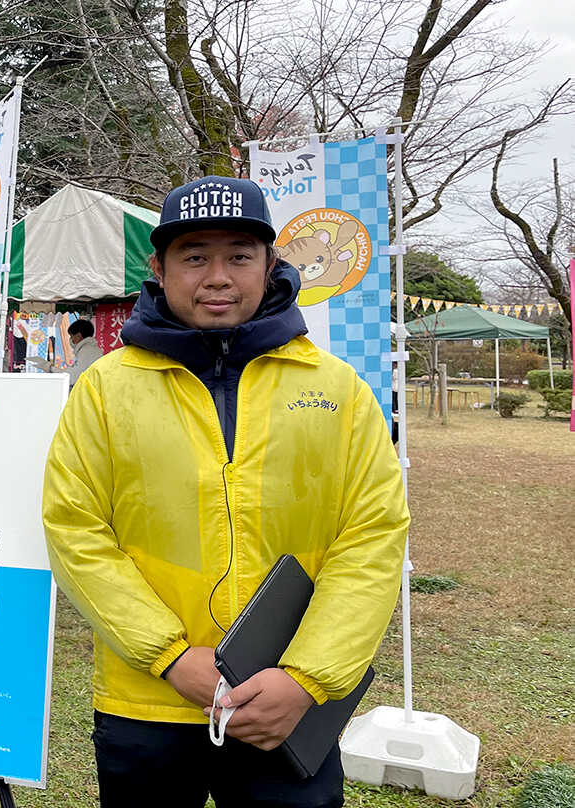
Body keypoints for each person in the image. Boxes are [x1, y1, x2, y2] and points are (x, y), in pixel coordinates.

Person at [42, 176, 409, 808]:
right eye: (194, 257)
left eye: (240, 256)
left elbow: (372, 535)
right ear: (159, 268)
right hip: (149, 701)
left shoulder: (339, 388)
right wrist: (171, 656)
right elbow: (76, 529)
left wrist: (305, 678)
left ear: (270, 265)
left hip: (286, 708)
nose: (218, 276)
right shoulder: (105, 389)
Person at [27, 318, 103, 386]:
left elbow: (72, 377)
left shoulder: (87, 351)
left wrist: (50, 368)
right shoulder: (90, 349)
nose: (70, 339)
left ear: (78, 336)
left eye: (71, 336)